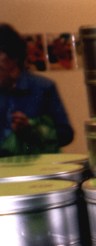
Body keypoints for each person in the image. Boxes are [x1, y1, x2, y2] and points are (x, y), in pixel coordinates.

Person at [0, 23, 74, 156]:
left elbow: (66, 135)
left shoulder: (43, 88)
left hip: (38, 168)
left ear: (13, 58)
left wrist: (31, 129)